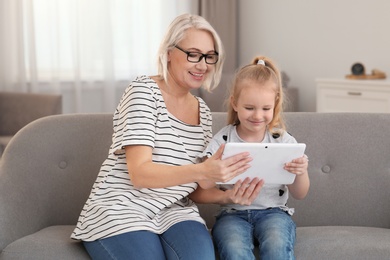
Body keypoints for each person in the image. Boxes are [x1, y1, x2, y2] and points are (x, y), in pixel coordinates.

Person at [71, 13, 255, 260]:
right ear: (169, 52)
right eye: (193, 53)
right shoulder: (143, 91)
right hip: (123, 208)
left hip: (175, 213)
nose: (202, 65)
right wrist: (202, 171)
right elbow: (140, 173)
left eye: (209, 56)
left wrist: (227, 195)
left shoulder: (203, 111)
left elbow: (189, 190)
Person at [189, 56, 310, 260]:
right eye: (249, 108)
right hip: (232, 215)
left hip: (274, 213)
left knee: (277, 245)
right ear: (235, 104)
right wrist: (214, 169)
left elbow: (300, 193)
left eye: (265, 109)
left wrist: (301, 172)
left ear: (275, 105)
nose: (257, 116)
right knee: (234, 248)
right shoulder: (222, 140)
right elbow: (203, 184)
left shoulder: (282, 140)